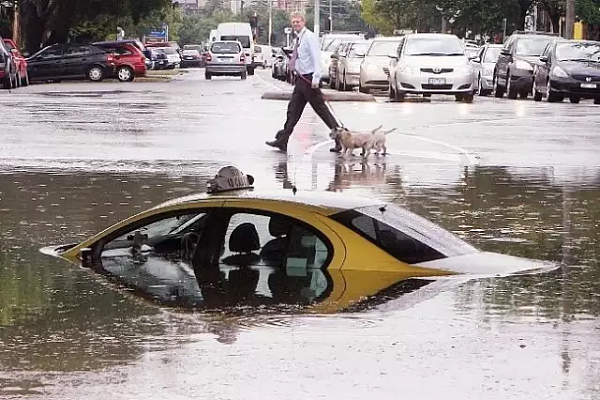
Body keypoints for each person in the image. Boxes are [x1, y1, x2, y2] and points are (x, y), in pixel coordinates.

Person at [265, 12, 342, 153]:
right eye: (293, 22)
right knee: (293, 111)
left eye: (298, 22)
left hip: (309, 79)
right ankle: (283, 140)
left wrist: (316, 78)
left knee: (322, 110)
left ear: (304, 22)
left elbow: (315, 58)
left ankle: (340, 138)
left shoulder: (310, 37)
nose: (295, 24)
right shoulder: (298, 38)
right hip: (301, 79)